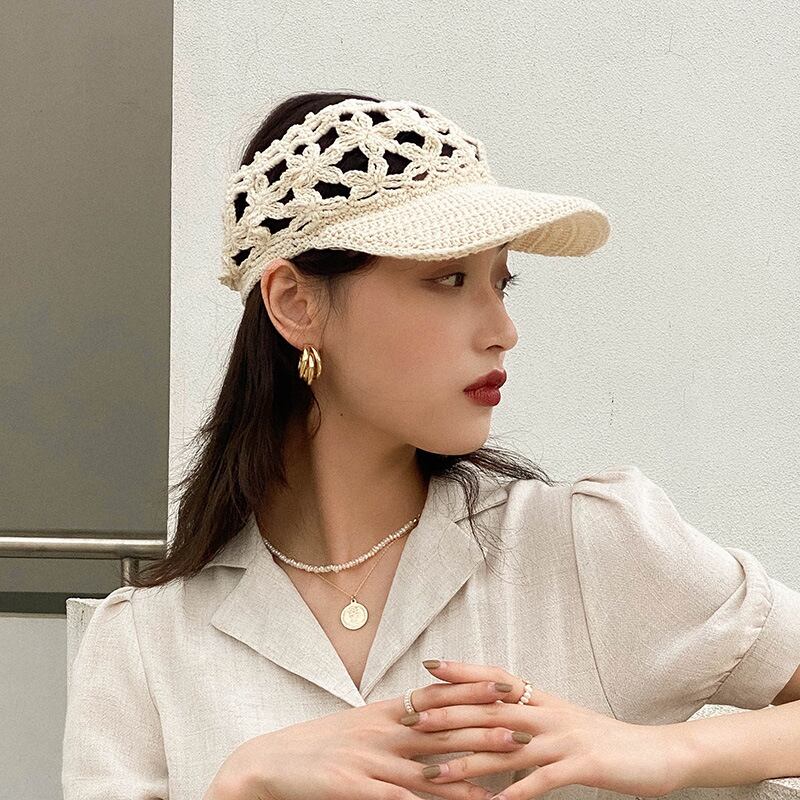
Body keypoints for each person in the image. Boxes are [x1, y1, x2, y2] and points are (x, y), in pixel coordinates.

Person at [62, 91, 800, 800]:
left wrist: (662, 751)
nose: (502, 331)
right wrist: (242, 783)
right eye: (449, 278)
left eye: (501, 284)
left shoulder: (583, 550)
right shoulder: (145, 647)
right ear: (295, 303)